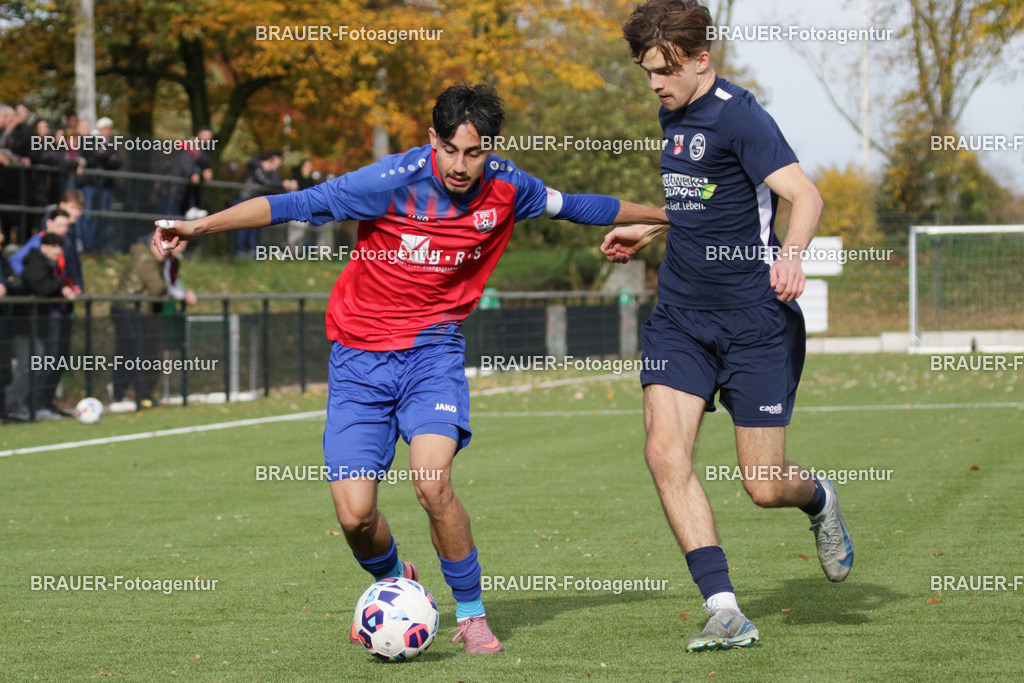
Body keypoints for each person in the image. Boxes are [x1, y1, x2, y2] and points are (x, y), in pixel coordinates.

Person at [154, 83, 668, 655]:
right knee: (355, 516)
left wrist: (665, 216)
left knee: (432, 482)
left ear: (491, 148)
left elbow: (577, 206)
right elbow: (289, 206)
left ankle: (471, 614)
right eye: (450, 149)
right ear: (432, 140)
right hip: (358, 359)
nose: (460, 165)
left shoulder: (508, 187)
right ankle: (397, 585)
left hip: (433, 353)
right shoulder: (387, 182)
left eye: (474, 153)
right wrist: (198, 228)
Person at [601, 0, 852, 652]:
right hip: (680, 316)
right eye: (647, 70)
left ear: (702, 59)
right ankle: (724, 607)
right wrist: (650, 223)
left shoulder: (742, 116)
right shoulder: (672, 110)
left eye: (664, 69)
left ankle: (819, 497)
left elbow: (806, 195)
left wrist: (791, 255)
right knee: (663, 452)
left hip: (754, 322)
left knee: (764, 486)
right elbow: (705, 196)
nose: (654, 82)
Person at [110, 237, 197, 409]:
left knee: (146, 352)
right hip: (128, 310)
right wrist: (180, 293)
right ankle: (120, 393)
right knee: (131, 350)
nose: (166, 253)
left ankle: (140, 395)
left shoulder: (167, 260)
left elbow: (166, 286)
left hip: (144, 312)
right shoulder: (146, 259)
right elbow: (158, 288)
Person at [9, 231, 79, 420]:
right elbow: (43, 288)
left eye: (60, 247)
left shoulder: (48, 266)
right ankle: (11, 403)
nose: (58, 251)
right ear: (44, 247)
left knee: (38, 364)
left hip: (37, 323)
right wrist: (61, 283)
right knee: (27, 366)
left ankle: (25, 405)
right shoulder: (36, 263)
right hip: (26, 323)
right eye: (54, 247)